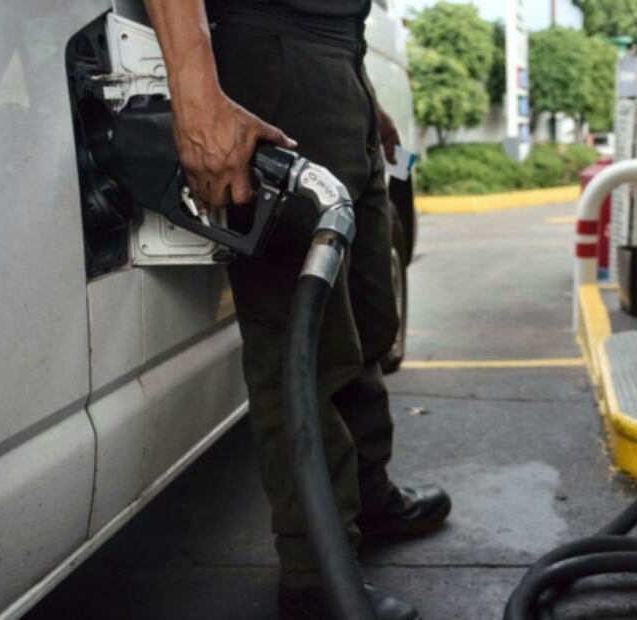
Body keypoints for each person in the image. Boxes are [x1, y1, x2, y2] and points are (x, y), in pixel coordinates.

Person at [141, 1, 451, 618]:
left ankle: (365, 493)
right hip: (268, 54)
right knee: (303, 337)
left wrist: (362, 96)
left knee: (366, 315)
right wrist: (197, 92)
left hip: (339, 59)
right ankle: (315, 572)